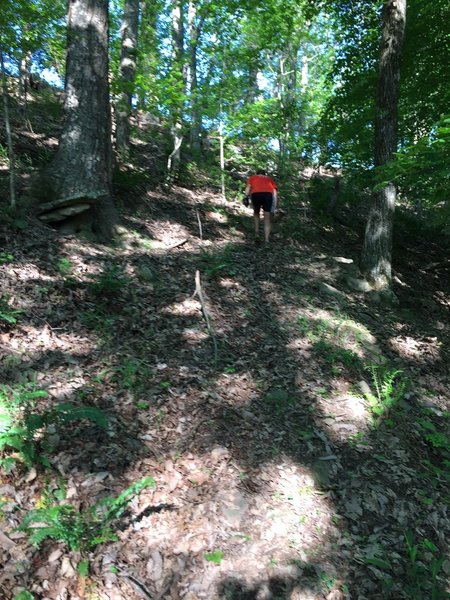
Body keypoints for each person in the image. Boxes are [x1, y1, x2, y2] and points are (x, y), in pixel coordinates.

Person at [244, 169, 277, 243]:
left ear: (257, 173)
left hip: (256, 194)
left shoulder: (253, 177)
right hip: (268, 195)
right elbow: (274, 192)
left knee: (256, 213)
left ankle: (257, 233)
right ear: (264, 174)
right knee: (267, 218)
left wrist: (246, 197)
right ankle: (267, 240)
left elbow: (248, 187)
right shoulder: (269, 179)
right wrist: (274, 206)